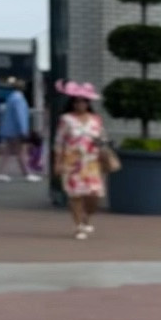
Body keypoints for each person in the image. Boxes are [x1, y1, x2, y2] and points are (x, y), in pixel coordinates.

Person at [52, 81, 107, 235]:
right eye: (77, 101)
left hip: (91, 161)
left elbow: (102, 137)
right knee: (75, 195)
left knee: (94, 195)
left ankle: (86, 218)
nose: (80, 104)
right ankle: (78, 226)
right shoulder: (66, 119)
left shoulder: (95, 119)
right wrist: (57, 162)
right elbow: (59, 142)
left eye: (83, 101)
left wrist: (100, 143)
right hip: (72, 162)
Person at [0, 79, 39, 181]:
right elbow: (20, 115)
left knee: (8, 151)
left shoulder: (11, 98)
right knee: (20, 151)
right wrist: (23, 130)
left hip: (9, 129)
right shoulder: (19, 99)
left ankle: (1, 172)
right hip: (15, 130)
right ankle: (26, 173)